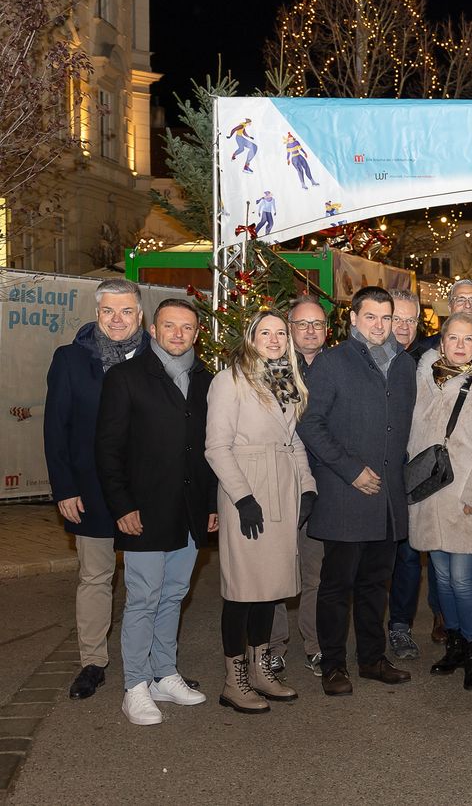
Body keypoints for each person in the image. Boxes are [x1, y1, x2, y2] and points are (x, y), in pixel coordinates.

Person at [95, 299, 217, 725]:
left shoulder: (206, 380)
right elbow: (107, 449)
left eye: (187, 327)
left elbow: (211, 449)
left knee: (174, 594)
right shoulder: (125, 377)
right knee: (144, 597)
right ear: (152, 329)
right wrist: (122, 505)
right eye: (169, 326)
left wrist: (211, 504)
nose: (178, 334)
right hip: (143, 511)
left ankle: (164, 673)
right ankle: (135, 685)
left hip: (190, 511)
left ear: (197, 333)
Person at [297, 286, 416, 697]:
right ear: (352, 319)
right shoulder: (332, 363)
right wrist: (351, 471)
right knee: (336, 587)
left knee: (375, 586)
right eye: (371, 317)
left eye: (386, 317)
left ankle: (372, 659)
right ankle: (333, 665)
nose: (380, 325)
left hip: (388, 498)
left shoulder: (404, 364)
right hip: (346, 495)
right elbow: (310, 424)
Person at [205, 310, 316, 713]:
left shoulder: (285, 380)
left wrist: (307, 486)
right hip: (248, 490)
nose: (274, 339)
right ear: (251, 338)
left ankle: (260, 671)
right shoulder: (229, 381)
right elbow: (216, 447)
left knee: (268, 590)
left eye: (280, 332)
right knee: (242, 590)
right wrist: (242, 498)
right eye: (265, 332)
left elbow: (293, 441)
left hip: (282, 490)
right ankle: (233, 681)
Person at [44, 278, 148, 701]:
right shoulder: (70, 359)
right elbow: (56, 428)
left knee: (147, 581)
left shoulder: (157, 358)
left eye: (126, 311)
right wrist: (64, 487)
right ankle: (93, 661)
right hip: (88, 490)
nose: (117, 319)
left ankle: (150, 662)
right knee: (95, 577)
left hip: (144, 492)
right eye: (108, 311)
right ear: (96, 313)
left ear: (140, 314)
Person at [407, 313, 472, 692]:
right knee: (441, 577)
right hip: (429, 495)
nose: (460, 345)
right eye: (453, 338)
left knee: (464, 578)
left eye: (468, 339)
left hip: (468, 496)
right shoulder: (425, 378)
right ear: (442, 342)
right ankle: (453, 644)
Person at [269, 295, 328, 677]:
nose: (310, 331)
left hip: (324, 487)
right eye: (302, 324)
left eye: (317, 324)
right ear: (290, 329)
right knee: (276, 571)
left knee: (315, 572)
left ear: (327, 331)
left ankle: (315, 645)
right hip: (280, 485)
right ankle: (274, 646)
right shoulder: (273, 370)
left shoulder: (336, 367)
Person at [387, 287, 432, 661]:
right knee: (370, 558)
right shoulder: (363, 359)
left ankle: (399, 627)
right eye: (396, 318)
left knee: (408, 555)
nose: (403, 326)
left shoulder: (429, 362)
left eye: (410, 319)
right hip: (370, 472)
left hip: (412, 473)